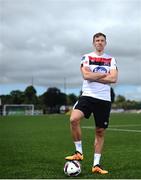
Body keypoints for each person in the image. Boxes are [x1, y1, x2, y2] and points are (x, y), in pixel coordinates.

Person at [65, 32, 118, 174]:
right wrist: (104, 75)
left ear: (105, 43)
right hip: (87, 96)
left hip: (104, 99)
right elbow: (86, 76)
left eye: (102, 40)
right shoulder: (86, 57)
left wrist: (94, 76)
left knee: (100, 131)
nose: (100, 42)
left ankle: (96, 165)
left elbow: (114, 79)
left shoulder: (111, 59)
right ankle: (78, 152)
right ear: (93, 43)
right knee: (74, 119)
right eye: (97, 40)